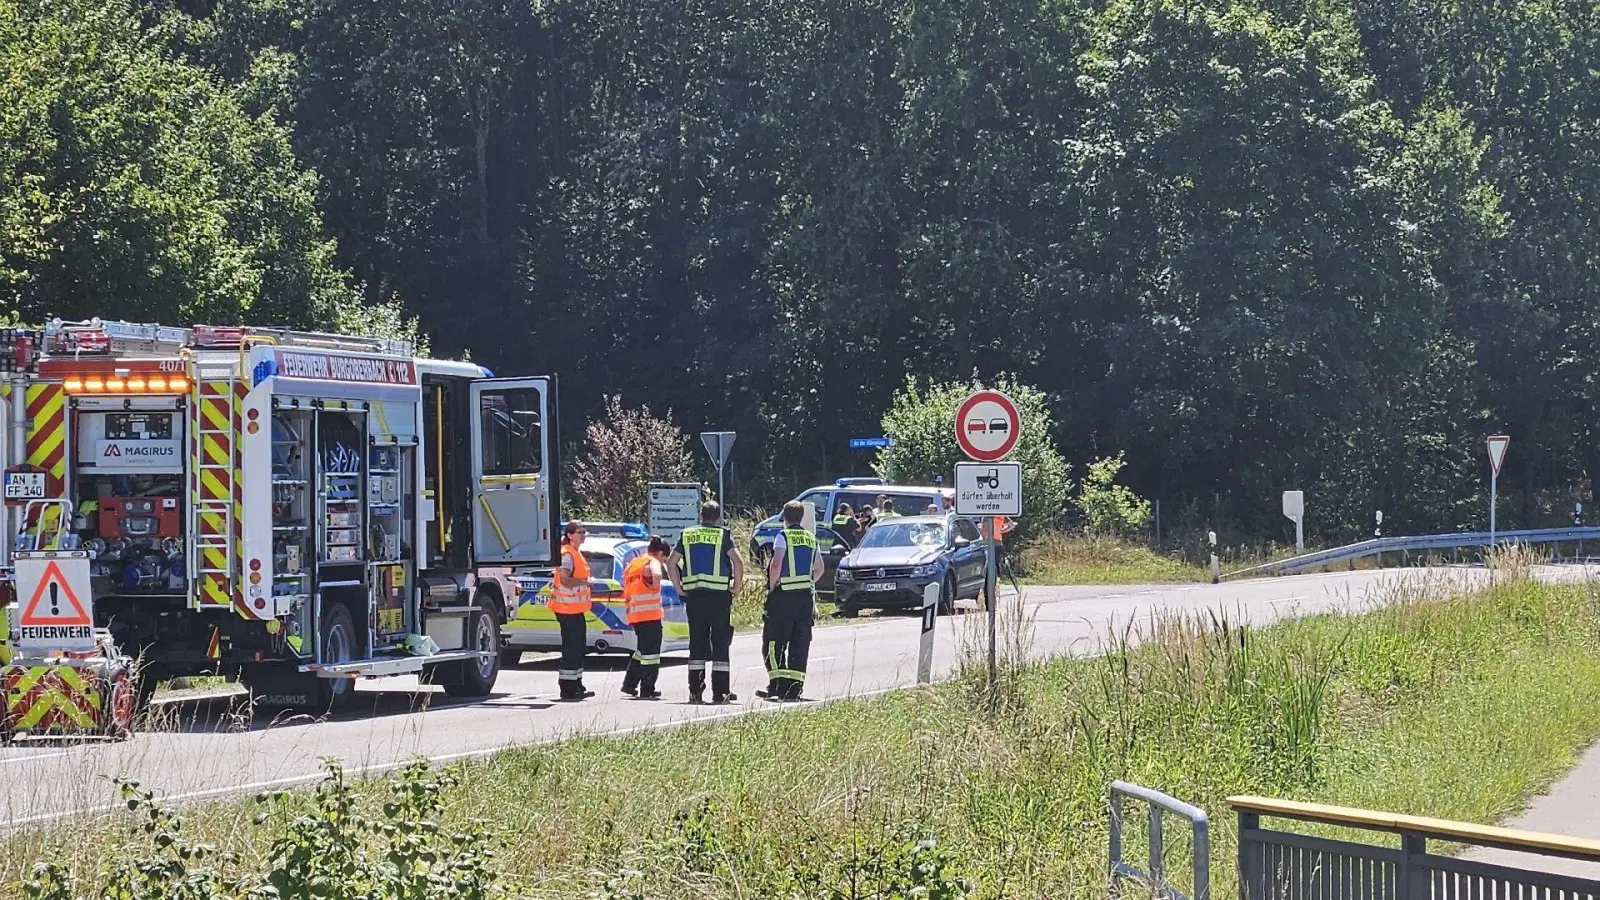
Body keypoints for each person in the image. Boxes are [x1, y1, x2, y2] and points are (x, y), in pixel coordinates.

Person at [669, 502, 744, 704]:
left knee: (697, 643)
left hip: (694, 597)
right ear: (718, 517)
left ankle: (695, 692)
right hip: (719, 597)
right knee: (720, 643)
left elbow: (671, 563)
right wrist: (736, 587)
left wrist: (678, 588)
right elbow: (737, 562)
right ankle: (720, 692)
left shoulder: (687, 534)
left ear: (700, 515)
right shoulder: (723, 535)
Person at [760, 501, 823, 702]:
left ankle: (777, 686)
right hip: (805, 598)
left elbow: (776, 563)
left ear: (785, 518)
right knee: (799, 642)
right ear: (801, 517)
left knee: (774, 642)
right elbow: (820, 568)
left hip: (783, 596)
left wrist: (772, 587)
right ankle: (795, 689)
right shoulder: (811, 538)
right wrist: (806, 582)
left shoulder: (783, 536)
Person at [621, 537, 672, 700]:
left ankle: (629, 684)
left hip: (635, 613)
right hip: (649, 614)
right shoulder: (653, 561)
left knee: (642, 651)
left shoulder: (635, 563)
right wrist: (654, 585)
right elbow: (656, 575)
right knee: (651, 654)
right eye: (664, 559)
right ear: (660, 553)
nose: (664, 563)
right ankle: (647, 688)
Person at [551, 520, 596, 700]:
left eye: (584, 532)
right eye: (579, 532)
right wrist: (585, 582)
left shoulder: (576, 553)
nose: (583, 535)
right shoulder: (567, 554)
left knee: (578, 647)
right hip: (566, 607)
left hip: (575, 608)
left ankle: (577, 684)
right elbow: (565, 580)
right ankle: (568, 688)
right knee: (572, 648)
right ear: (570, 535)